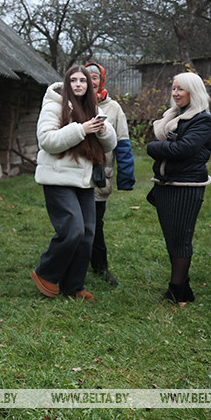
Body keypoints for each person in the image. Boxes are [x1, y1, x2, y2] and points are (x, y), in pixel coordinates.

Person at [30, 65, 117, 302]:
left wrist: (100, 130)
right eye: (74, 80)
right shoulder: (54, 105)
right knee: (72, 229)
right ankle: (45, 273)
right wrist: (81, 129)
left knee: (88, 233)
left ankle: (74, 286)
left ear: (89, 86)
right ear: (67, 84)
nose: (79, 84)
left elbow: (110, 145)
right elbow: (47, 141)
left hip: (84, 181)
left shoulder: (93, 109)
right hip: (58, 178)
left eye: (83, 81)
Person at [146, 72, 211, 304]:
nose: (175, 93)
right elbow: (174, 147)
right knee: (171, 237)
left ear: (193, 92)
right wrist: (164, 145)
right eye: (173, 88)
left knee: (181, 238)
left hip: (187, 186)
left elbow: (183, 149)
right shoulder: (175, 116)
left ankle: (176, 291)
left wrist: (154, 147)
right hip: (166, 183)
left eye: (180, 89)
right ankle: (184, 289)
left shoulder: (203, 119)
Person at [84, 62, 135, 286]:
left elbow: (122, 143)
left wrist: (126, 176)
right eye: (88, 77)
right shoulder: (74, 103)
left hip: (99, 175)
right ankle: (75, 263)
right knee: (75, 222)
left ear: (101, 81)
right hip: (74, 173)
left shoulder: (113, 108)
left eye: (95, 78)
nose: (92, 82)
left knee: (96, 223)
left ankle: (100, 266)